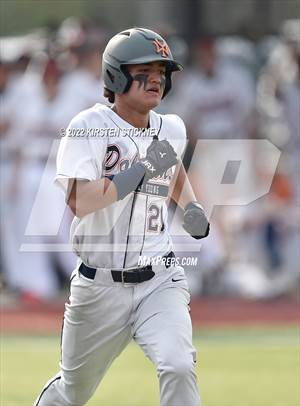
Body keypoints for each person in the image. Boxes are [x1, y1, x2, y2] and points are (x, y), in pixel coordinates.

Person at [34, 27, 209, 406]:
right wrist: (144, 168)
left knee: (178, 366)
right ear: (116, 75)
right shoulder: (87, 127)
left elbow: (172, 167)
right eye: (145, 70)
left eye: (162, 71)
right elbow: (81, 200)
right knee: (73, 391)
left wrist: (190, 205)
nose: (157, 79)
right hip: (99, 287)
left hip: (160, 279)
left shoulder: (172, 127)